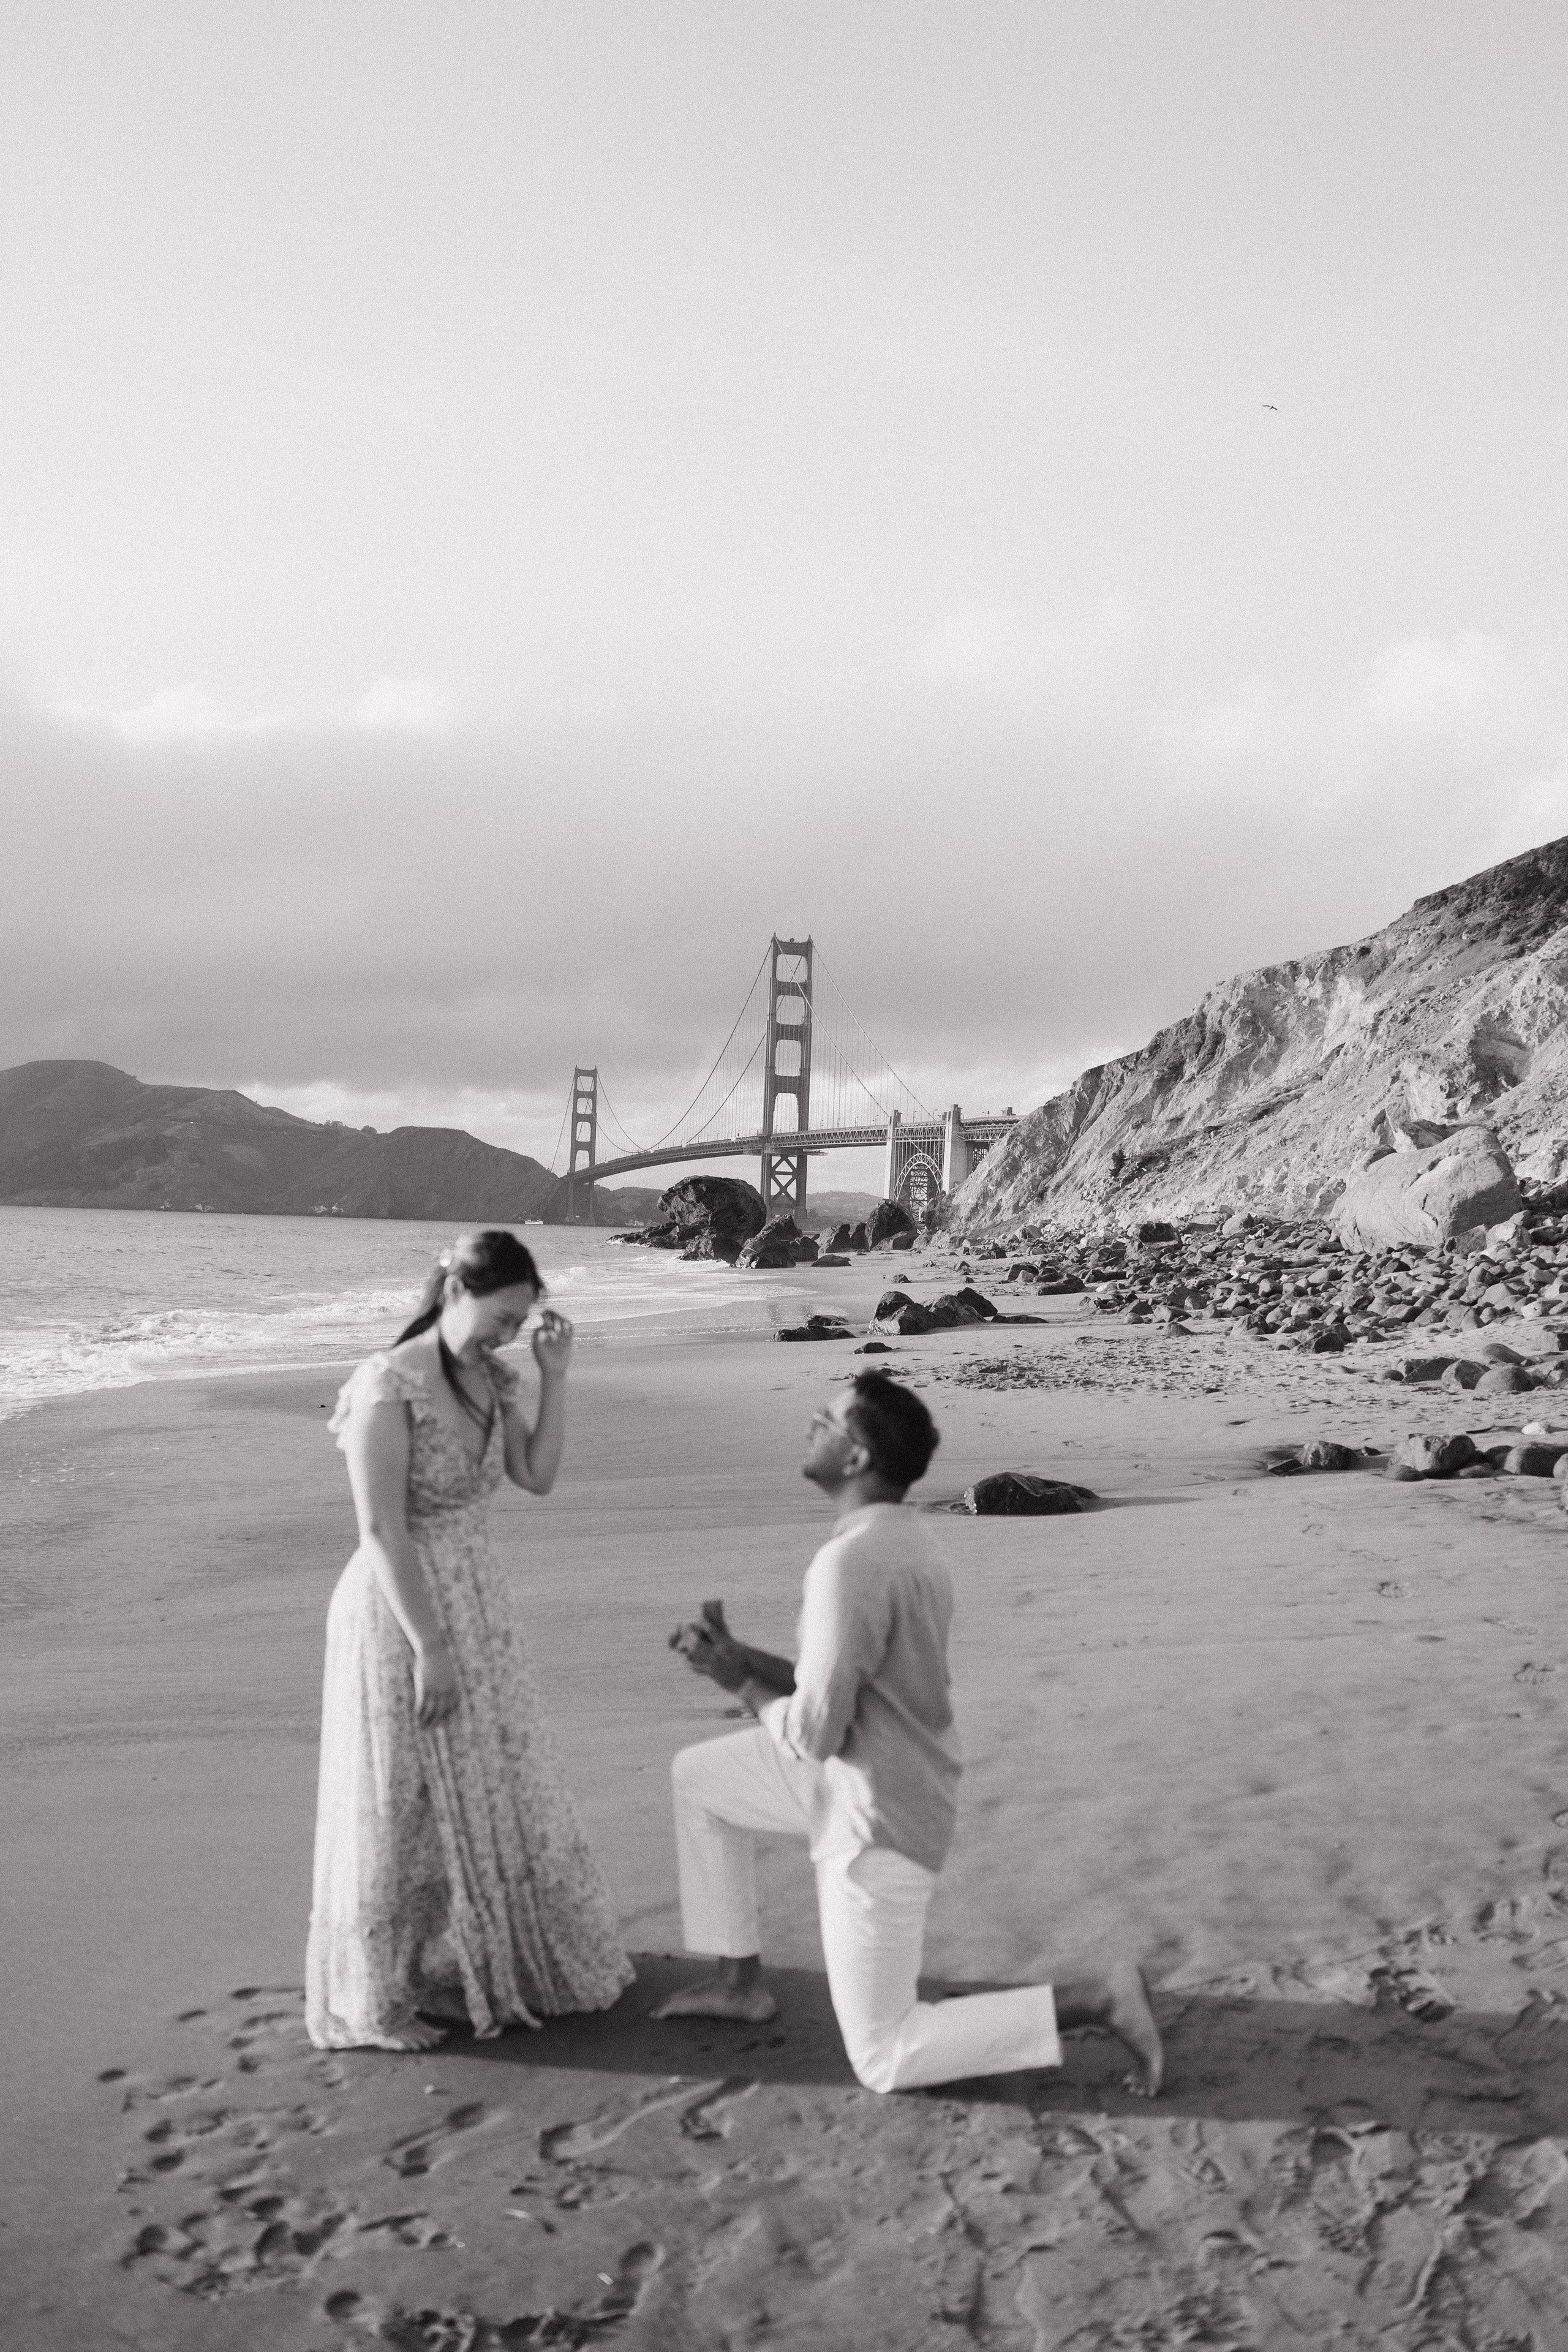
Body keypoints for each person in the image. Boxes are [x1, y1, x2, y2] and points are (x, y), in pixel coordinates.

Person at [655, 1371, 1162, 2097]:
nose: (811, 1422)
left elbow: (814, 1733)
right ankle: (739, 1984)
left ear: (856, 1457)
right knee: (700, 1778)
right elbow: (845, 1686)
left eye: (827, 1419)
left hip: (876, 1814)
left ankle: (1097, 2001)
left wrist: (737, 1681)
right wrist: (742, 1660)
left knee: (885, 2058)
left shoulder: (850, 1563)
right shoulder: (905, 1538)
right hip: (878, 1774)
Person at [306, 1229, 633, 2051]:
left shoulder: (492, 1379)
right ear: (455, 1292)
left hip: (478, 1601)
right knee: (400, 1793)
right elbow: (381, 1529)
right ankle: (380, 1997)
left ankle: (463, 1958)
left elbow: (537, 1476)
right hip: (401, 1609)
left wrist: (556, 1377)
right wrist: (430, 1646)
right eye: (501, 1318)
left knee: (492, 1776)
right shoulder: (385, 1385)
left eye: (520, 1323)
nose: (508, 1335)